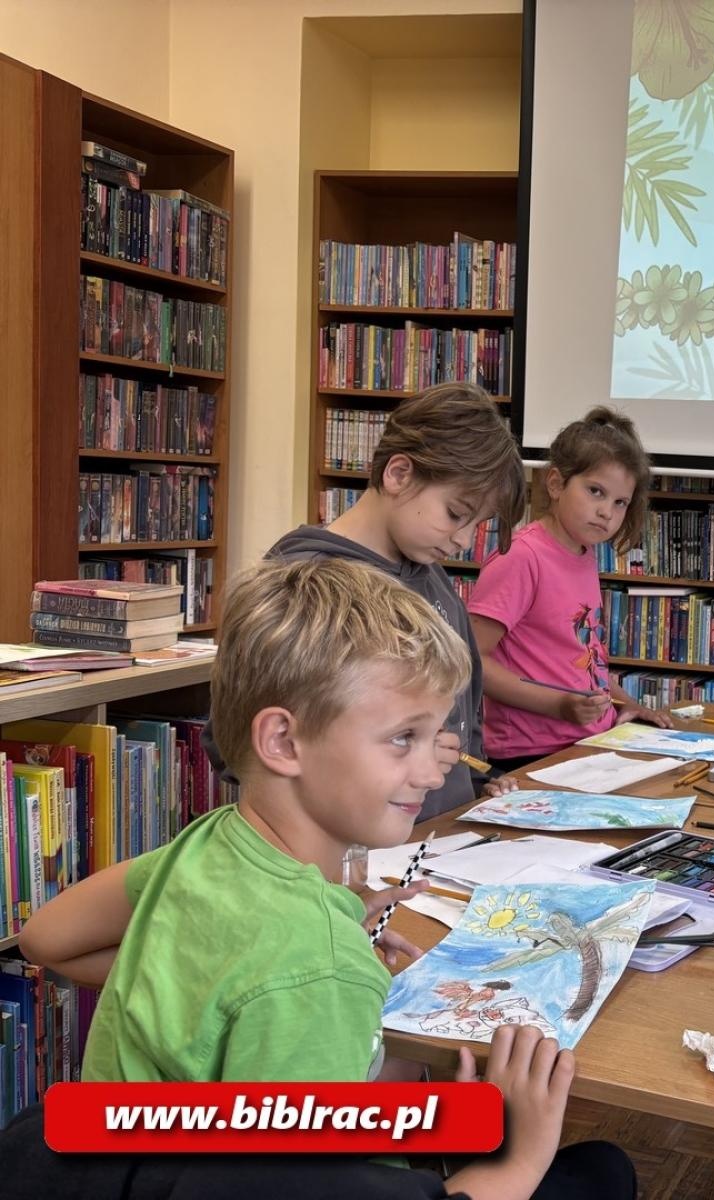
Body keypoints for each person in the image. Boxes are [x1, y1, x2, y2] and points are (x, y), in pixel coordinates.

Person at [17, 559, 634, 1200]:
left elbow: (46, 940)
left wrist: (206, 980)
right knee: (604, 1170)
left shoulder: (205, 845)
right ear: (283, 741)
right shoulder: (320, 966)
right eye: (403, 738)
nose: (430, 772)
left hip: (132, 1168)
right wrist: (515, 1163)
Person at [210, 380, 527, 819]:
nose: (463, 539)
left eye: (479, 524)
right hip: (344, 862)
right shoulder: (304, 584)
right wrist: (405, 757)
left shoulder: (436, 585)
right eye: (455, 513)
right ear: (398, 474)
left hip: (436, 842)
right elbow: (238, 747)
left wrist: (477, 780)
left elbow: (462, 718)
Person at [468, 407, 672, 773]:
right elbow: (471, 658)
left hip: (586, 743)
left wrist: (627, 703)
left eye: (619, 502)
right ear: (556, 484)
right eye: (596, 491)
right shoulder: (522, 556)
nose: (606, 512)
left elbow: (581, 660)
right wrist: (558, 706)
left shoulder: (583, 552)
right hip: (531, 753)